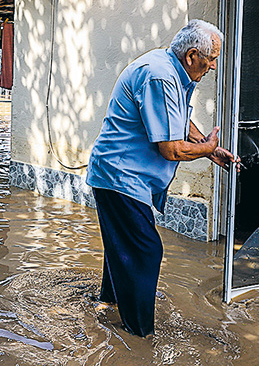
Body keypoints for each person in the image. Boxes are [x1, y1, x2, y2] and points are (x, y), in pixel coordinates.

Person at [86, 19, 238, 337]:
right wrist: (205, 147)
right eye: (211, 60)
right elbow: (170, 149)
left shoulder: (171, 70)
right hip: (120, 176)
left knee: (124, 246)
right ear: (192, 55)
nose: (212, 66)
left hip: (125, 176)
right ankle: (138, 334)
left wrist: (211, 151)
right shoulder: (160, 75)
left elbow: (178, 119)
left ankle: (108, 308)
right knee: (145, 250)